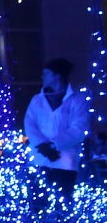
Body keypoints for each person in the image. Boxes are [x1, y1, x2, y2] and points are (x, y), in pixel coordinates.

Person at [24, 57, 88, 212]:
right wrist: (42, 146)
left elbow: (78, 129)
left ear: (57, 75)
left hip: (65, 162)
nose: (42, 76)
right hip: (39, 160)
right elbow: (30, 124)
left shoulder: (77, 100)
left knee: (63, 205)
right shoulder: (37, 100)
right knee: (38, 205)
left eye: (46, 73)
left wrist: (54, 145)